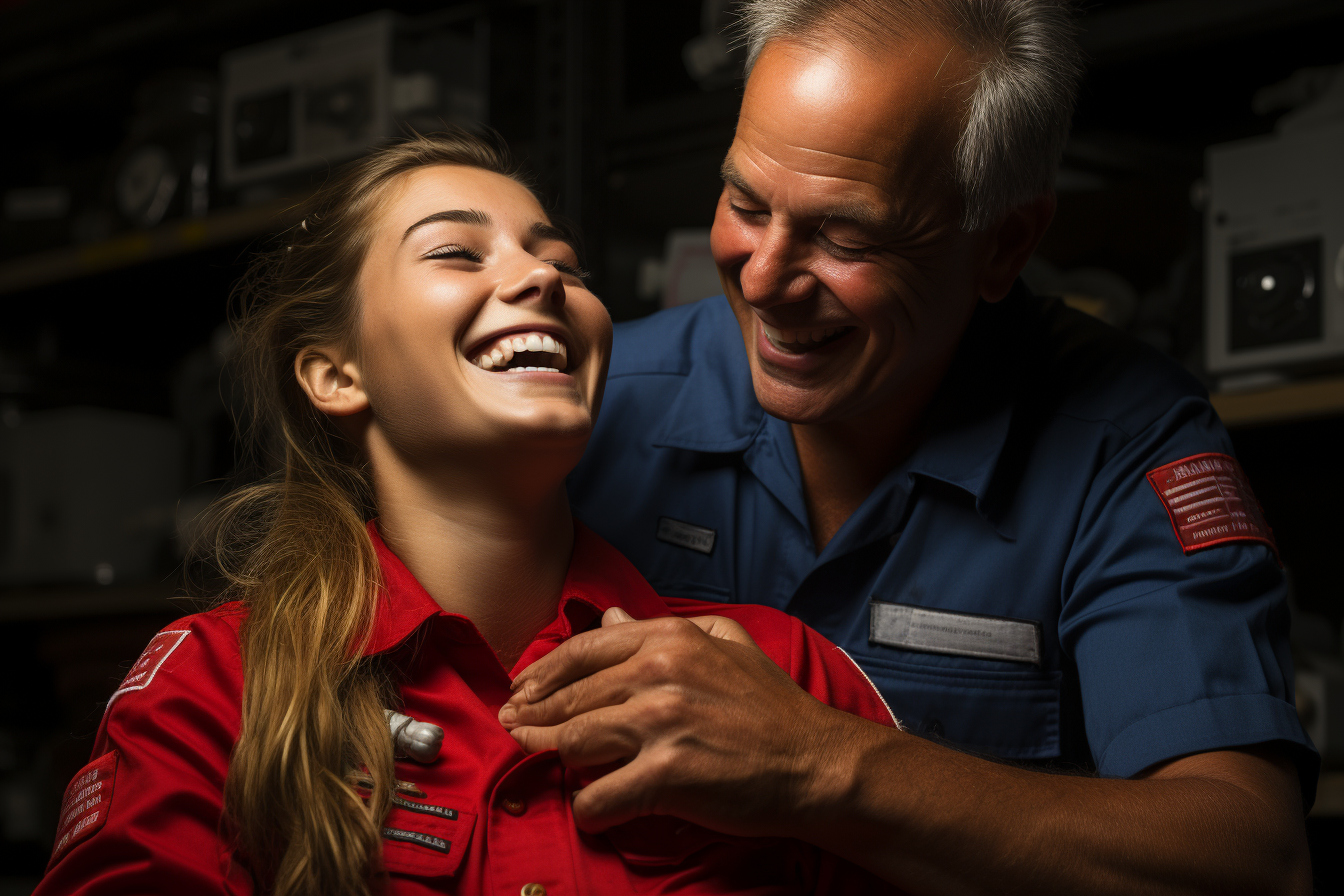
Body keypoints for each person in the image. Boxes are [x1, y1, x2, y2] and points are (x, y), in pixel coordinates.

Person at [502, 2, 1320, 894]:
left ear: (1003, 243)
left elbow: (1253, 861)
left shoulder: (1122, 442)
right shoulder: (592, 402)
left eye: (846, 236)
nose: (764, 279)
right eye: (746, 203)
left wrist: (819, 764)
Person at [35, 132, 905, 896]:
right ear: (336, 374)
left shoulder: (779, 673)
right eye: (456, 252)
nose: (543, 277)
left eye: (566, 266)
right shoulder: (216, 689)